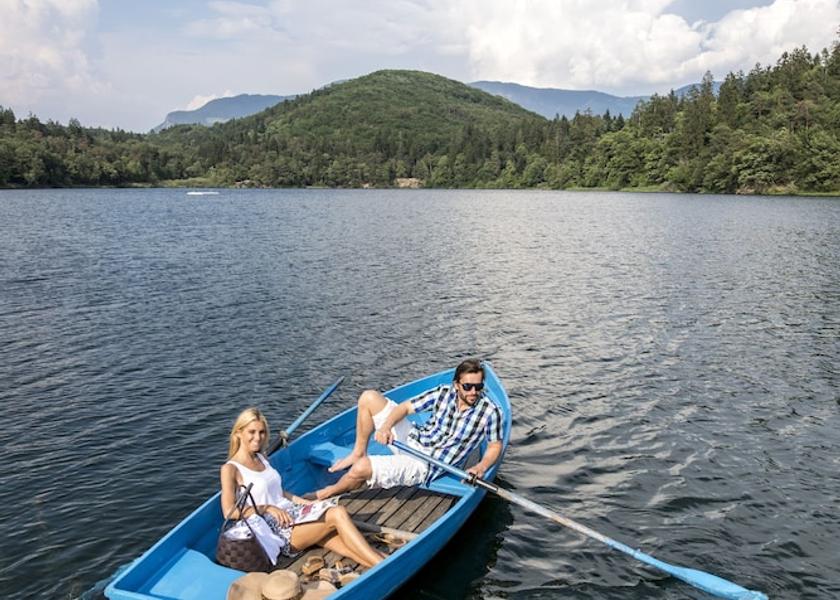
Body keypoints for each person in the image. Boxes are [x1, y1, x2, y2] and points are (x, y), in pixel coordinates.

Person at [312, 358, 503, 500]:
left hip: (427, 464)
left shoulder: (490, 411)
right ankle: (358, 452)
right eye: (468, 386)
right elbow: (404, 408)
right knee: (368, 397)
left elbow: (494, 446)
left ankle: (325, 493)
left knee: (361, 469)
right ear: (456, 385)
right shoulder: (443, 392)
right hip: (414, 438)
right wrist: (386, 427)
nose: (473, 392)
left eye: (478, 387)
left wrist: (481, 467)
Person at [220, 407, 384, 568]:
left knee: (344, 543)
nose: (258, 437)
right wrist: (267, 508)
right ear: (238, 433)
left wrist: (306, 503)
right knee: (337, 513)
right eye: (252, 432)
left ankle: (382, 563)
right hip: (277, 529)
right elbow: (229, 511)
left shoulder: (261, 458)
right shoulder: (231, 469)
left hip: (293, 513)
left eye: (262, 432)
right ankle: (383, 566)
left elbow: (279, 492)